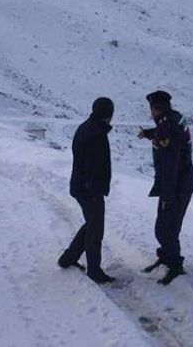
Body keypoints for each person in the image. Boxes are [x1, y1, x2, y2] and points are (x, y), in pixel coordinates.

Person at [138, 90, 193, 285]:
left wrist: (167, 196)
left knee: (166, 228)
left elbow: (170, 164)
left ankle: (175, 265)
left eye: (151, 109)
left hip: (176, 184)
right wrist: (149, 134)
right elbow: (169, 135)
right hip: (181, 180)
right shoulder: (173, 118)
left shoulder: (166, 128)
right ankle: (165, 257)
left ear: (155, 109)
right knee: (165, 225)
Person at [58, 97, 116, 284]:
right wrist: (93, 190)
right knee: (95, 230)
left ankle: (68, 258)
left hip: (82, 187)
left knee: (92, 224)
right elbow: (93, 166)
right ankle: (94, 271)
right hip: (89, 190)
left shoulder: (88, 127)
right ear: (108, 114)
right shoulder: (96, 133)